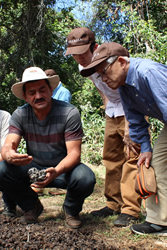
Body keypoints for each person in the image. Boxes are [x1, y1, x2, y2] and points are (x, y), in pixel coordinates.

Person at [0, 66, 96, 229]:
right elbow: (8, 146)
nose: (38, 96)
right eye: (32, 93)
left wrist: (56, 171)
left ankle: (71, 210)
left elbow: (74, 154)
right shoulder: (20, 114)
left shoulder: (69, 112)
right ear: (25, 97)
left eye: (42, 90)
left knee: (85, 178)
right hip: (34, 167)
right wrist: (10, 155)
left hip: (64, 168)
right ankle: (31, 206)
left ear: (50, 90)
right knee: (0, 171)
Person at [81, 42, 167, 236]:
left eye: (104, 72)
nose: (103, 79)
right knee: (155, 163)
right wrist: (145, 148)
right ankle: (159, 222)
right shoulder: (124, 87)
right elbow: (136, 120)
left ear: (121, 61)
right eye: (99, 76)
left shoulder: (148, 72)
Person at [65, 27, 141, 227]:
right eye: (74, 55)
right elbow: (100, 87)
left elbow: (129, 86)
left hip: (131, 110)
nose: (79, 58)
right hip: (112, 112)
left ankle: (130, 209)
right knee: (111, 158)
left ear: (95, 47)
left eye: (83, 52)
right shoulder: (83, 68)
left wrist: (131, 123)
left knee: (132, 156)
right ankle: (113, 203)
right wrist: (106, 102)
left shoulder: (112, 58)